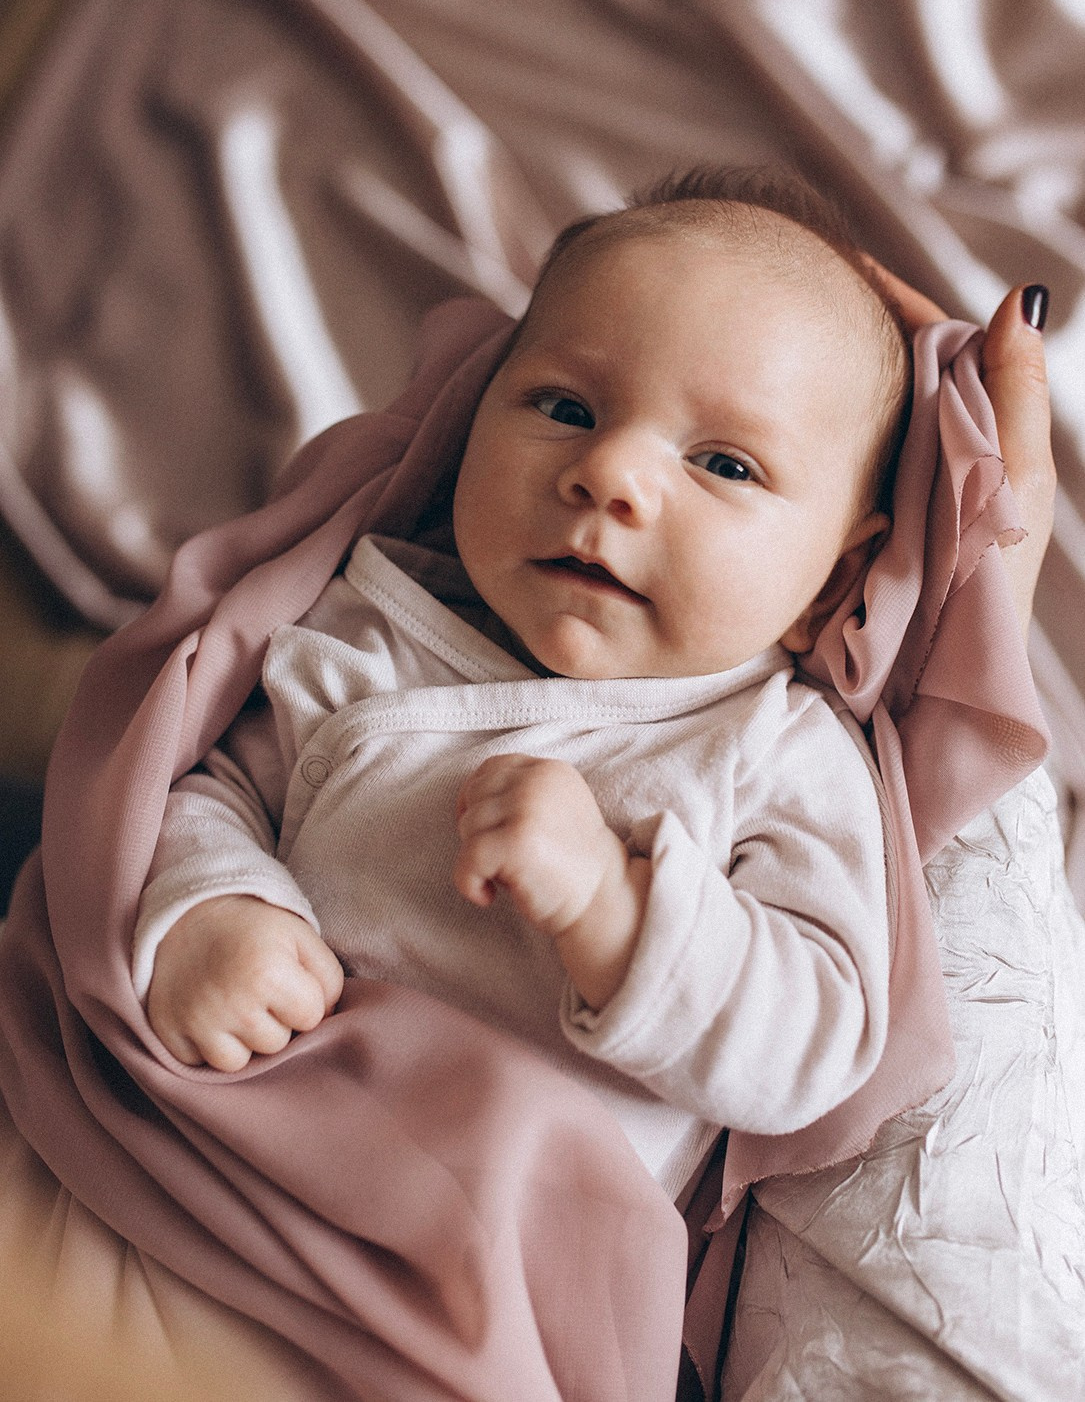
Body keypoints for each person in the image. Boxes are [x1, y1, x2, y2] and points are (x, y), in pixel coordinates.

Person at [136, 167, 928, 1197]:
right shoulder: (374, 624)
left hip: (491, 1250)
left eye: (724, 465)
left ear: (832, 584)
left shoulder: (779, 754)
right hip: (219, 1151)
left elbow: (810, 1046)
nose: (610, 474)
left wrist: (612, 907)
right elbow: (205, 787)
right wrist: (213, 905)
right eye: (565, 406)